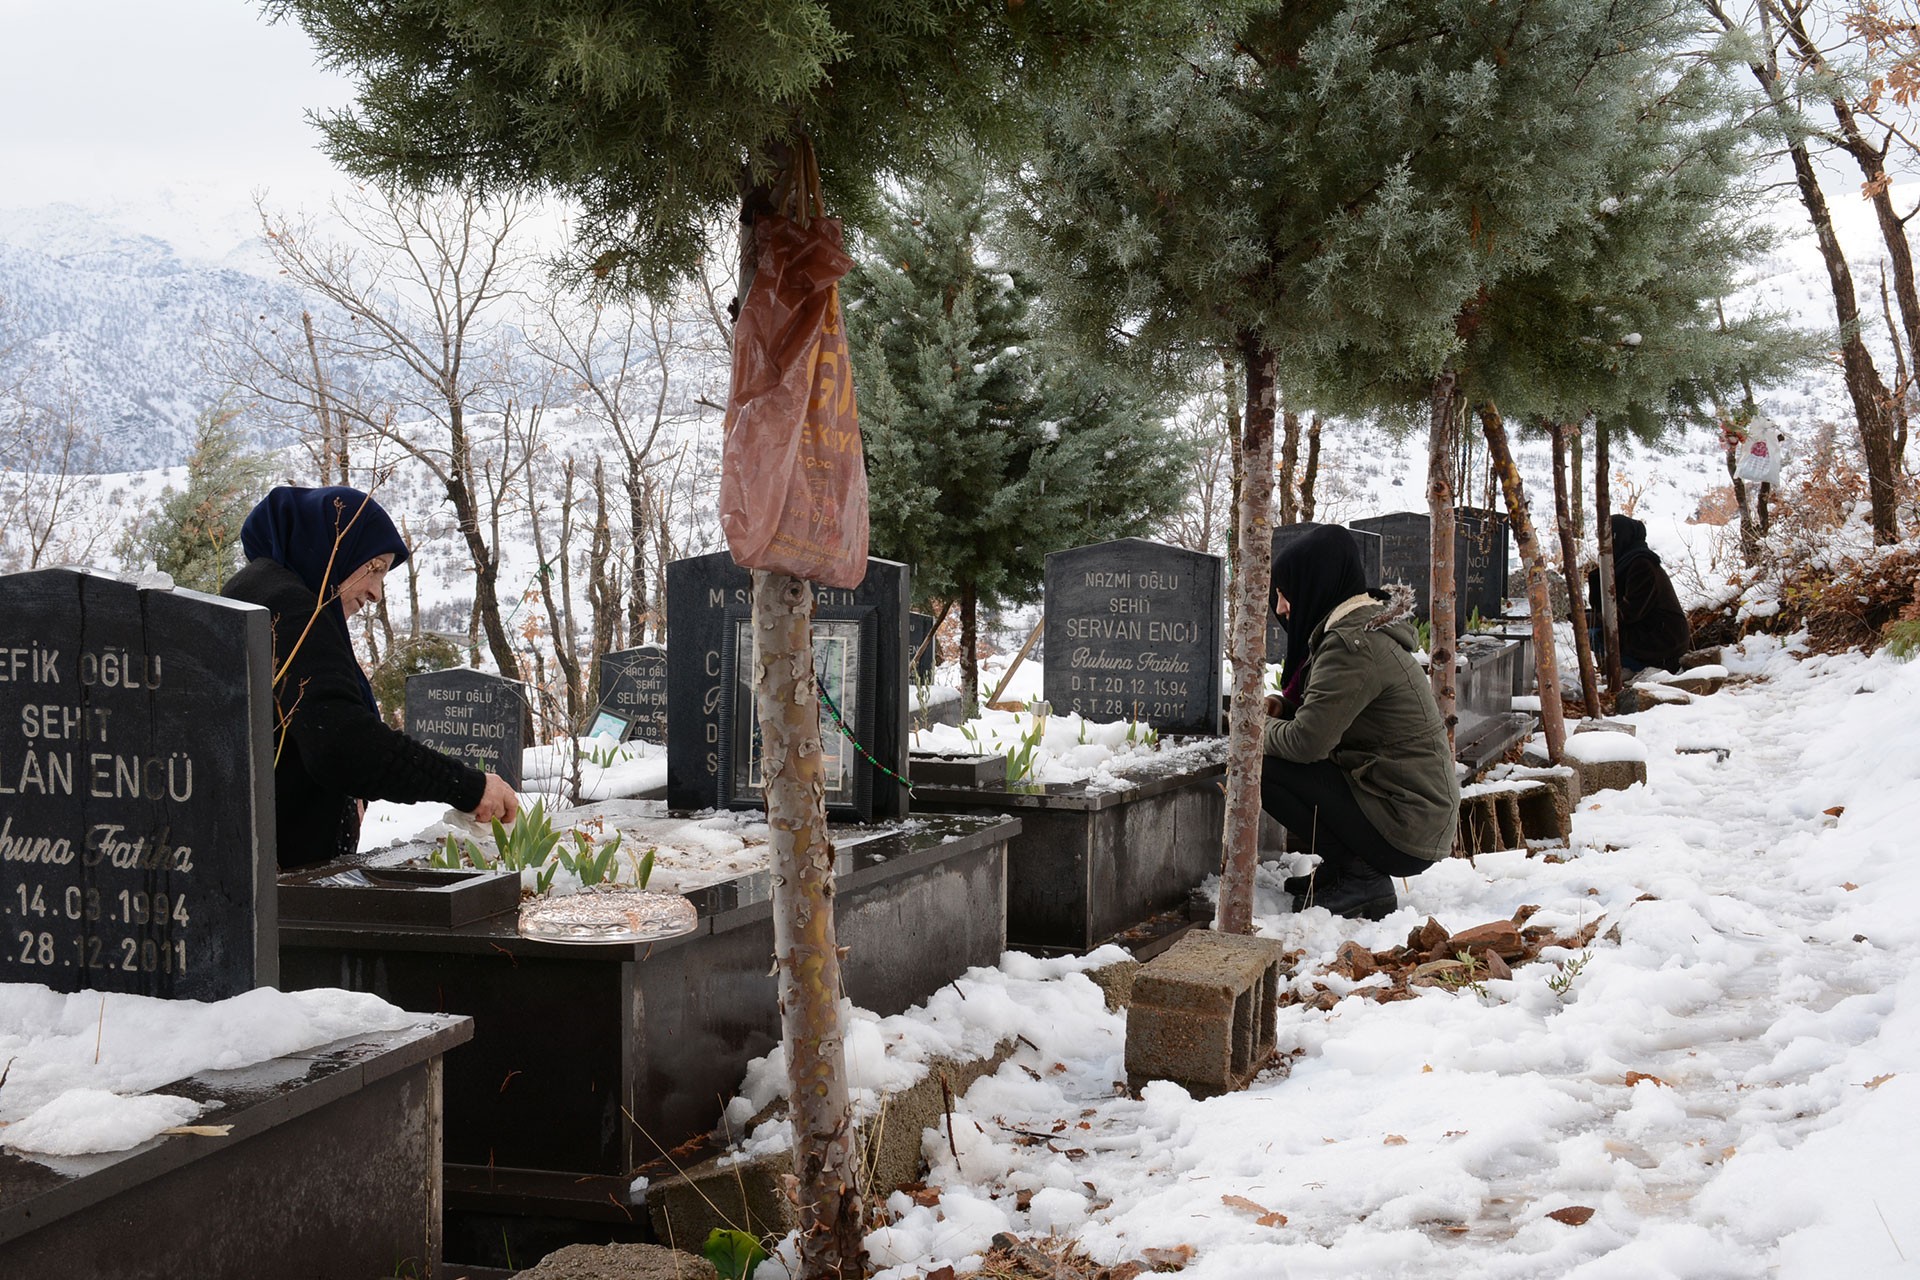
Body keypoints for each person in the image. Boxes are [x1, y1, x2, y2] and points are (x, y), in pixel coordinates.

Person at [223, 485, 519, 869]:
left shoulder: (259, 590)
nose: (376, 592)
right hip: (283, 876)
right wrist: (467, 786)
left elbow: (313, 729)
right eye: (374, 567)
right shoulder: (291, 606)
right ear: (329, 546)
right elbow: (343, 744)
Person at [1262, 524, 1461, 921]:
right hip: (1408, 809)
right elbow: (1328, 713)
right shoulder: (1357, 631)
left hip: (1406, 826)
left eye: (1286, 592)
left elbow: (1307, 743)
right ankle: (1342, 870)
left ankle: (1363, 879)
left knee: (1260, 767)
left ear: (1314, 584)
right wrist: (1280, 710)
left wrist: (1252, 730)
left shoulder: (1351, 645)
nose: (1281, 608)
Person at [1589, 514, 1691, 674]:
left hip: (1662, 640)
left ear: (1619, 537)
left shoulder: (1642, 565)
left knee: (1596, 633)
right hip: (1647, 633)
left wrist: (1595, 618)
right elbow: (1600, 607)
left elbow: (1631, 611)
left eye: (1608, 537)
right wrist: (1597, 576)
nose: (1601, 545)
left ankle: (1629, 671)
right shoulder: (1623, 565)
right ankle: (1620, 670)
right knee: (1593, 628)